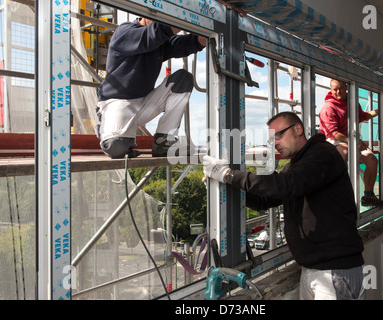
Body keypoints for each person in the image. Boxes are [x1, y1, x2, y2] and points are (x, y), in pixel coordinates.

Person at [203, 112, 365, 300]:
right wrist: (224, 186)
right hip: (313, 268)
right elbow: (266, 199)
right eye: (272, 140)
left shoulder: (323, 154)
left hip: (335, 270)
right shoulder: (296, 165)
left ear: (298, 129)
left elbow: (284, 185)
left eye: (279, 135)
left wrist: (228, 174)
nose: (275, 143)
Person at [96, 17, 206, 158]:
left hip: (145, 102)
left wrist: (207, 32)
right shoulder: (125, 32)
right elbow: (154, 34)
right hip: (118, 103)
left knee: (183, 79)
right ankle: (107, 129)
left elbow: (187, 44)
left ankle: (164, 141)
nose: (161, 16)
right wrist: (185, 14)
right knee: (116, 148)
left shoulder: (159, 42)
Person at [319, 79, 383, 207]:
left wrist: (380, 110)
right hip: (336, 140)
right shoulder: (328, 108)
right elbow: (332, 133)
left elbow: (363, 116)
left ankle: (368, 195)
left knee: (372, 160)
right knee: (344, 154)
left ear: (346, 88)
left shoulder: (352, 103)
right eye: (335, 89)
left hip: (352, 139)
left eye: (341, 88)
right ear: (331, 90)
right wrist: (354, 142)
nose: (338, 92)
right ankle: (339, 196)